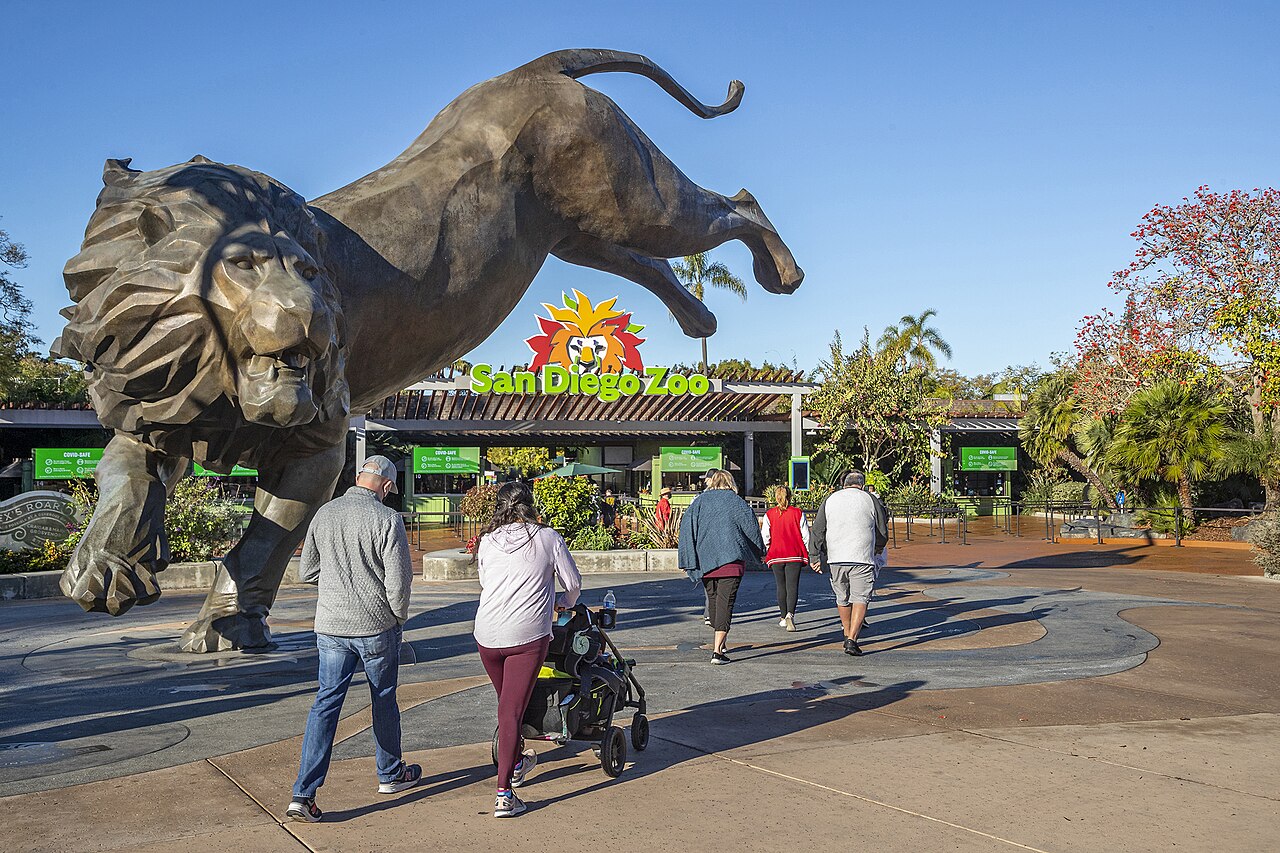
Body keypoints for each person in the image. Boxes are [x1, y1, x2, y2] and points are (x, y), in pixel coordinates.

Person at [287, 455, 419, 823]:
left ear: (359, 478)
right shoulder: (388, 519)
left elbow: (307, 570)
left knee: (325, 703)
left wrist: (337, 581)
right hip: (375, 625)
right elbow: (399, 582)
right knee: (383, 698)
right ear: (387, 486)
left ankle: (303, 793)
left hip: (330, 625)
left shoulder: (325, 513)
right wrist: (398, 618)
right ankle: (390, 774)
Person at [474, 482, 581, 818]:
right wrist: (562, 603)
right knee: (510, 712)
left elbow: (484, 582)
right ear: (530, 505)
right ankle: (504, 794)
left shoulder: (487, 541)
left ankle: (517, 762)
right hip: (527, 636)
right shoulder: (548, 537)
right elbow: (573, 584)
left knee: (508, 705)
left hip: (487, 636)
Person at [678, 469, 764, 664]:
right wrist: (759, 551)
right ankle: (718, 651)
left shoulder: (699, 502)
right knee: (726, 603)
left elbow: (687, 529)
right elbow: (751, 528)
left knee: (714, 601)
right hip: (731, 562)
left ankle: (720, 640)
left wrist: (687, 559)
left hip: (705, 561)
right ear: (731, 482)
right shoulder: (737, 502)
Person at [810, 470, 888, 657]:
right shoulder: (870, 499)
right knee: (861, 597)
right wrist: (878, 547)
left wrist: (814, 556)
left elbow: (818, 529)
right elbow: (882, 528)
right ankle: (852, 639)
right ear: (861, 485)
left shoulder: (831, 499)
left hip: (836, 556)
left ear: (843, 484)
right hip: (862, 556)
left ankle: (846, 632)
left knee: (842, 597)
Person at [760, 484, 813, 632]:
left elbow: (765, 536)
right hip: (794, 554)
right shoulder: (798, 513)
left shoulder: (769, 514)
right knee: (792, 585)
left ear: (776, 497)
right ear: (790, 496)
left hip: (777, 554)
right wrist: (809, 552)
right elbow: (805, 535)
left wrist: (767, 549)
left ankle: (783, 617)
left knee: (780, 586)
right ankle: (791, 614)